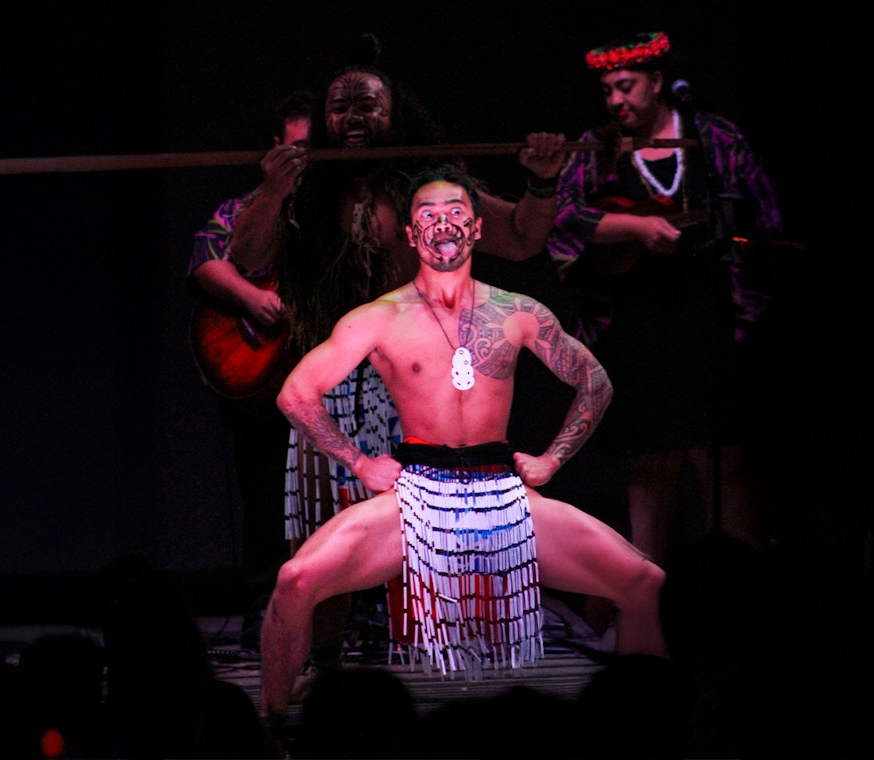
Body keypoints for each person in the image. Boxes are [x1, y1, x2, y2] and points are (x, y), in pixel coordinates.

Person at [261, 165, 669, 732]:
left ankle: (648, 735)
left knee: (643, 582)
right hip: (417, 496)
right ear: (411, 235)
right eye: (428, 214)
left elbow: (595, 382)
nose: (443, 223)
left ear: (477, 228)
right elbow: (296, 393)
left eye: (456, 211)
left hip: (501, 492)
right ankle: (267, 733)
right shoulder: (379, 317)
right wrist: (358, 461)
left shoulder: (517, 311)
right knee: (295, 581)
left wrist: (553, 458)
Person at [231, 40, 571, 686]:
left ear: (396, 115)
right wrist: (273, 189)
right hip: (333, 389)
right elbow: (247, 256)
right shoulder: (303, 192)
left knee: (445, 536)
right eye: (340, 107)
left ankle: (458, 669)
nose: (354, 118)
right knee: (322, 539)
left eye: (368, 105)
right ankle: (326, 669)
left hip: (417, 387)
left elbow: (523, 237)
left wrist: (542, 181)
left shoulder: (430, 189)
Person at [547, 30, 787, 567]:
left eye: (626, 86)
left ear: (657, 82)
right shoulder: (597, 147)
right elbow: (563, 216)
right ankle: (646, 603)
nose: (616, 101)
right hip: (638, 327)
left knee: (725, 462)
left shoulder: (713, 138)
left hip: (710, 322)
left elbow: (764, 215)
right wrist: (635, 227)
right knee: (649, 464)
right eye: (607, 91)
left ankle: (746, 593)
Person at [186, 89, 314, 647]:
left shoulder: (345, 209)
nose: (304, 160)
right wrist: (251, 297)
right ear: (274, 149)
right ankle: (265, 610)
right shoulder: (245, 207)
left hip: (333, 385)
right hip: (264, 383)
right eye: (295, 149)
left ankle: (347, 615)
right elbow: (203, 261)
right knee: (265, 495)